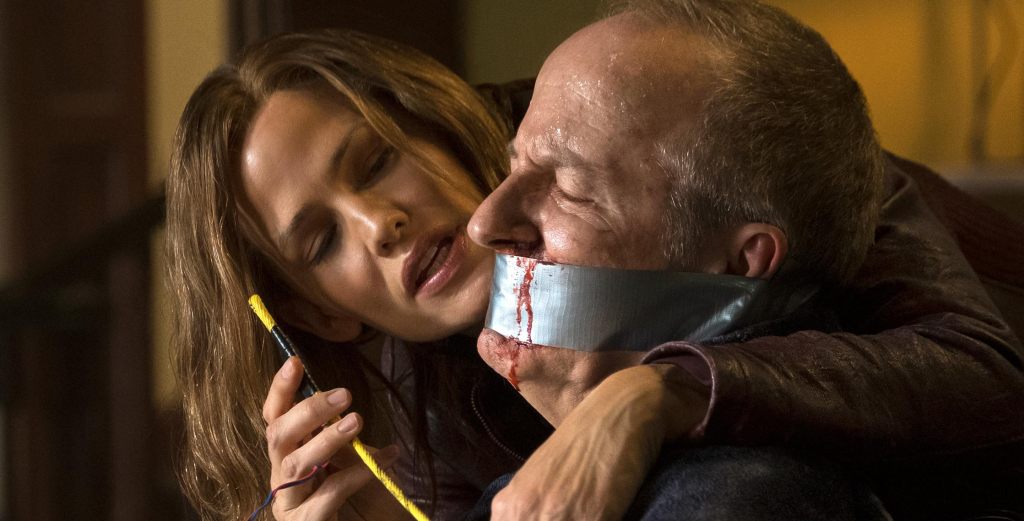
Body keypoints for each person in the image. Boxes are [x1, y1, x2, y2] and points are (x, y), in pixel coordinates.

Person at [164, 15, 1024, 521]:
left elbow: (989, 373)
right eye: (320, 242)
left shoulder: (669, 133)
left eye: (378, 158)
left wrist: (657, 392)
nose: (378, 225)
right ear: (318, 313)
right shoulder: (423, 400)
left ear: (434, 120)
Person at [459, 0, 1024, 519]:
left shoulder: (741, 494)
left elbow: (988, 379)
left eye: (573, 191)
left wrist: (664, 389)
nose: (483, 224)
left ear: (738, 263)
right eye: (512, 166)